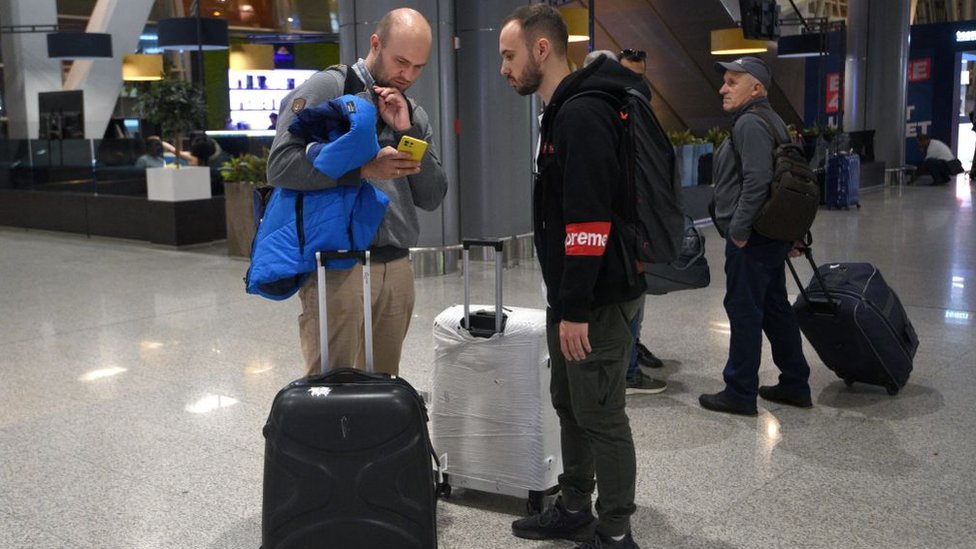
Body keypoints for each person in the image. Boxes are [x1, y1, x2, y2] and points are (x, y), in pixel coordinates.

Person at [499, 6, 646, 548]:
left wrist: (577, 308)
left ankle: (614, 530)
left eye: (509, 56)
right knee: (570, 402)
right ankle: (575, 503)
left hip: (598, 297)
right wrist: (565, 301)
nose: (504, 69)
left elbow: (589, 220)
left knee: (602, 413)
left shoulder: (582, 114)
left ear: (542, 50)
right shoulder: (561, 111)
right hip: (575, 292)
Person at [267, 7, 447, 376]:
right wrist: (363, 169)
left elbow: (431, 195)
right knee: (330, 388)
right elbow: (280, 165)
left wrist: (406, 132)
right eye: (401, 62)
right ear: (375, 44)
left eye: (418, 67)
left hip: (396, 265)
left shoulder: (412, 112)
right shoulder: (328, 88)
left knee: (384, 386)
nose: (408, 75)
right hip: (337, 265)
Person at [701, 56, 812, 417]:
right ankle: (795, 382)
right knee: (775, 307)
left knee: (744, 310)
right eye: (725, 81)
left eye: (733, 82)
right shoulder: (773, 119)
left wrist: (739, 231)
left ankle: (739, 390)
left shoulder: (749, 123)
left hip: (754, 235)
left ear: (757, 88)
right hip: (772, 232)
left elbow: (758, 182)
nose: (723, 88)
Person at [580, 49, 666, 396]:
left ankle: (627, 361)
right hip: (616, 237)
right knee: (622, 305)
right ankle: (626, 370)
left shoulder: (624, 112)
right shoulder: (602, 115)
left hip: (625, 233)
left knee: (631, 305)